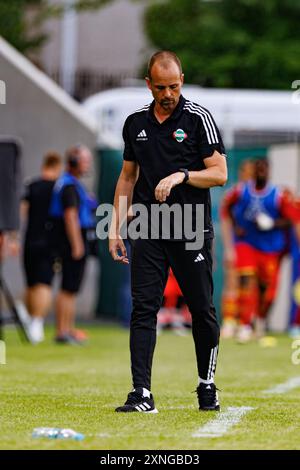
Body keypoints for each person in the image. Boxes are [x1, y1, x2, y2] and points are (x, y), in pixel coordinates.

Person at [109, 51, 227, 413]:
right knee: (144, 308)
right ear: (149, 84)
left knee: (201, 309)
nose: (167, 94)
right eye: (160, 87)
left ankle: (207, 384)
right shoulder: (134, 124)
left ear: (182, 81)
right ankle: (141, 392)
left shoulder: (198, 119)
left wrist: (183, 175)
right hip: (148, 226)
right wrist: (115, 229)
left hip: (190, 227)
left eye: (174, 86)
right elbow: (128, 176)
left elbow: (220, 173)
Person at [220, 159, 296, 342]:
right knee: (245, 280)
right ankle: (243, 325)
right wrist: (236, 226)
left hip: (270, 248)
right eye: (257, 169)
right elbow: (226, 208)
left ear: (269, 172)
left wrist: (273, 223)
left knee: (266, 291)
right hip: (246, 244)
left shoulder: (278, 194)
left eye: (264, 169)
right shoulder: (241, 191)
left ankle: (260, 321)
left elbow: (292, 218)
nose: (260, 172)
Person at [49, 144, 93, 344]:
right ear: (74, 162)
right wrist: (77, 244)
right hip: (72, 240)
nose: (87, 165)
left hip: (75, 238)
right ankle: (62, 330)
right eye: (85, 161)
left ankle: (68, 328)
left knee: (72, 288)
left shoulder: (71, 184)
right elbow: (70, 216)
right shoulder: (68, 185)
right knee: (68, 287)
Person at [21, 151, 62, 343]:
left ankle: (30, 320)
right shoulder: (58, 188)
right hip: (49, 241)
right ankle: (36, 323)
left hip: (30, 239)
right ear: (57, 166)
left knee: (30, 283)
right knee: (44, 283)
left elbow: (23, 212)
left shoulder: (31, 185)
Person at [220, 159, 254, 338]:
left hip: (253, 247)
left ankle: (245, 323)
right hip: (237, 244)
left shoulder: (259, 193)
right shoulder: (235, 193)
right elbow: (225, 219)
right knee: (232, 282)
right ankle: (229, 321)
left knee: (248, 285)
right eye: (246, 171)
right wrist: (228, 248)